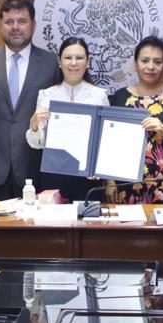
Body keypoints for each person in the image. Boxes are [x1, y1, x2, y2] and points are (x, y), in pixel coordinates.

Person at [0, 0, 59, 201]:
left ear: (33, 25)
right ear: (1, 25)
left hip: (36, 169)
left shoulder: (51, 64)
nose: (15, 27)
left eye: (22, 21)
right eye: (9, 22)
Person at [109, 36, 163, 204]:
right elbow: (109, 142)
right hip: (125, 182)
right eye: (145, 60)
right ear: (135, 63)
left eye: (157, 62)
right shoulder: (120, 97)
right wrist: (109, 180)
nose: (150, 66)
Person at [26, 37, 109, 201]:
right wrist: (34, 125)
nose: (73, 63)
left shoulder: (99, 95)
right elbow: (37, 144)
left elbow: (105, 140)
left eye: (79, 58)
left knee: (88, 217)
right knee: (53, 217)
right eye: (68, 57)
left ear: (88, 62)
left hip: (88, 177)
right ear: (59, 61)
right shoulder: (46, 94)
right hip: (54, 174)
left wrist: (98, 167)